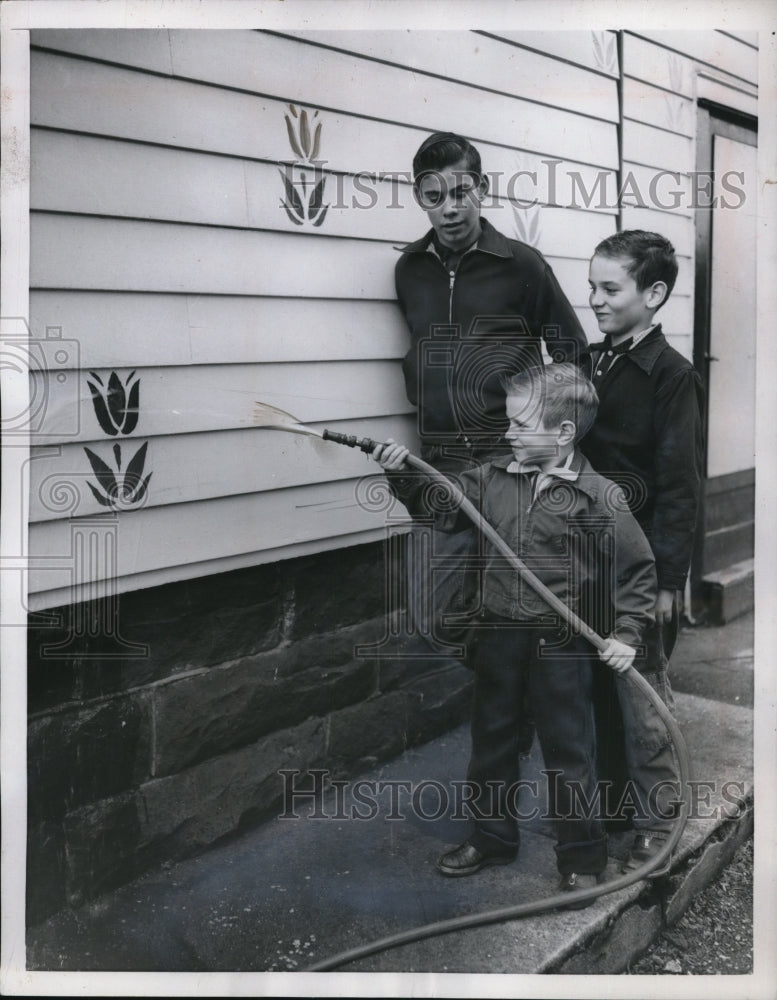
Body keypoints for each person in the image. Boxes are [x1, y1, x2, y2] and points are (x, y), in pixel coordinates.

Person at [372, 364, 658, 905]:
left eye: (521, 424)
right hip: (498, 634)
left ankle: (581, 861)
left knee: (570, 752)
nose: (508, 433)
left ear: (564, 433)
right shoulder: (491, 478)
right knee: (492, 742)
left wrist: (626, 631)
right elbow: (441, 509)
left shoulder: (600, 496)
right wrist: (402, 476)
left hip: (562, 643)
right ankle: (491, 838)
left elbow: (637, 569)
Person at [393, 131, 588, 672]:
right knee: (433, 615)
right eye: (435, 196)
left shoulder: (523, 265)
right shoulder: (409, 269)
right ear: (419, 197)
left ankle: (511, 715)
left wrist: (549, 444)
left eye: (462, 192)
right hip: (442, 465)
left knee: (517, 606)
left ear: (481, 188)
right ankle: (510, 695)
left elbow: (574, 357)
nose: (451, 208)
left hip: (509, 464)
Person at [581, 230, 703, 871]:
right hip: (583, 558)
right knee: (596, 687)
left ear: (653, 294)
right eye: (592, 285)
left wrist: (667, 581)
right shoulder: (591, 362)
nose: (594, 299)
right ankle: (614, 805)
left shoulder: (672, 376)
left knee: (640, 690)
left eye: (610, 288)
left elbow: (681, 485)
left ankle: (659, 822)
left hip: (640, 565)